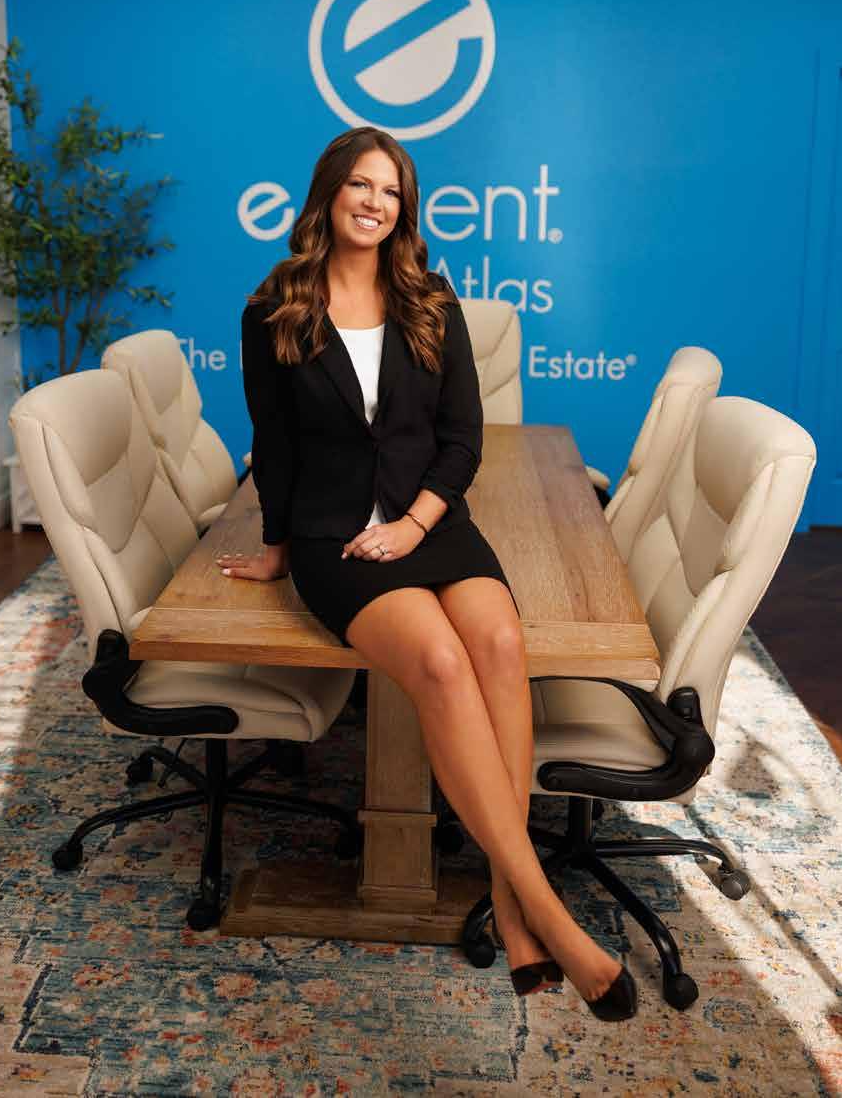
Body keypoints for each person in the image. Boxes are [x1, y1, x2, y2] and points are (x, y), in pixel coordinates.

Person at [217, 126, 636, 1022]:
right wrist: (279, 549)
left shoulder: (429, 298)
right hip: (337, 541)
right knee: (441, 664)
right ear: (328, 192)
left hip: (431, 523)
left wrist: (413, 524)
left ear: (403, 208)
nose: (374, 203)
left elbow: (463, 440)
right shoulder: (273, 308)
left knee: (499, 644)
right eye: (360, 185)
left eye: (391, 191)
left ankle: (509, 902)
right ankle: (546, 914)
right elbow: (273, 444)